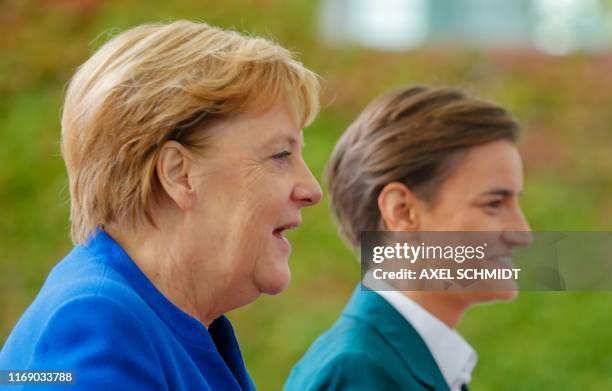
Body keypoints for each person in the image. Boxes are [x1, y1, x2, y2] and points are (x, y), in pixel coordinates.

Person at [0, 20, 322, 390]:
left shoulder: (176, 324)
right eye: (280, 154)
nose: (312, 189)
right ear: (179, 174)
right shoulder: (96, 322)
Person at [285, 86, 531, 391]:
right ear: (401, 211)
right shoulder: (360, 371)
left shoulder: (396, 363)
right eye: (493, 204)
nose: (523, 231)